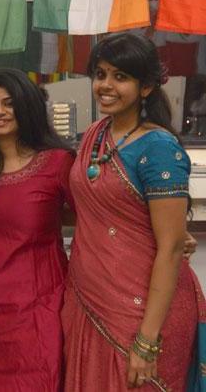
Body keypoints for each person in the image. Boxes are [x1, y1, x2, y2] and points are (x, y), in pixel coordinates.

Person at [63, 33, 205, 391]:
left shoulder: (158, 148)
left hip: (146, 313)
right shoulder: (96, 135)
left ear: (145, 88)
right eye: (100, 74)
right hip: (91, 299)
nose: (105, 85)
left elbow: (171, 247)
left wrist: (146, 340)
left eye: (120, 77)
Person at [0, 68, 74, 391]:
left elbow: (93, 219)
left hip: (42, 308)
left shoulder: (58, 163)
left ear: (27, 106)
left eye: (9, 103)